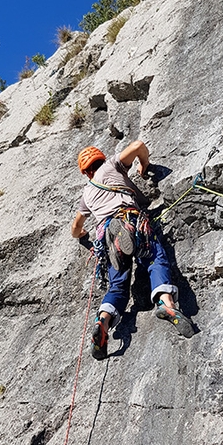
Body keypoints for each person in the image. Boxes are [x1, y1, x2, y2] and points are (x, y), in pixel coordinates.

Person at [71, 140, 194, 358]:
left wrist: (81, 235)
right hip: (131, 220)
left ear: (86, 173)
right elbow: (138, 145)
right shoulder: (112, 166)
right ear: (101, 159)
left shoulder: (87, 193)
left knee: (117, 286)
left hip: (107, 236)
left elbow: (75, 227)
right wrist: (144, 166)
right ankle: (167, 304)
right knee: (156, 259)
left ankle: (103, 321)